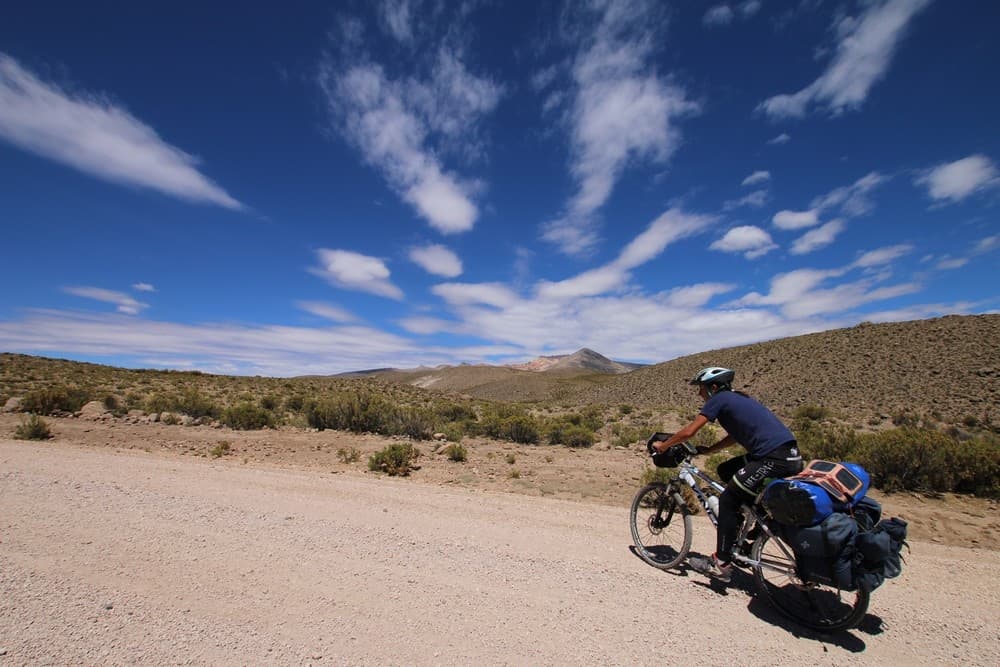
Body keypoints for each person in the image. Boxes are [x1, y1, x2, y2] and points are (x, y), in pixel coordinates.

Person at [651, 366, 803, 583]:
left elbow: (689, 431)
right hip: (789, 455)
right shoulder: (740, 399)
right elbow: (734, 436)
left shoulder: (719, 399)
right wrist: (709, 450)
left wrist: (664, 445)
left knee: (728, 499)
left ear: (713, 387)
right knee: (725, 470)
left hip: (772, 459)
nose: (699, 394)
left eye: (701, 389)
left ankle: (721, 564)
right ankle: (754, 526)